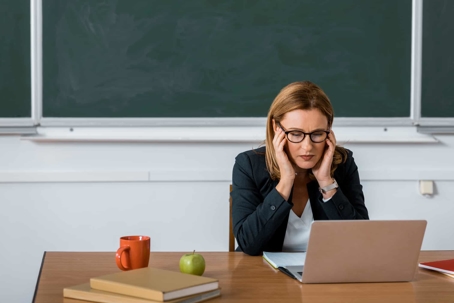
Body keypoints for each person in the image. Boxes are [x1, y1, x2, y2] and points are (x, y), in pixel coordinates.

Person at [231, 81, 368, 256]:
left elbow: (359, 240)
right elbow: (248, 245)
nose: (307, 147)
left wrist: (326, 182)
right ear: (276, 128)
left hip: (326, 273)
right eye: (296, 134)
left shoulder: (344, 163)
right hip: (265, 275)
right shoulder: (248, 165)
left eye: (317, 134)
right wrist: (286, 182)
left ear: (329, 129)